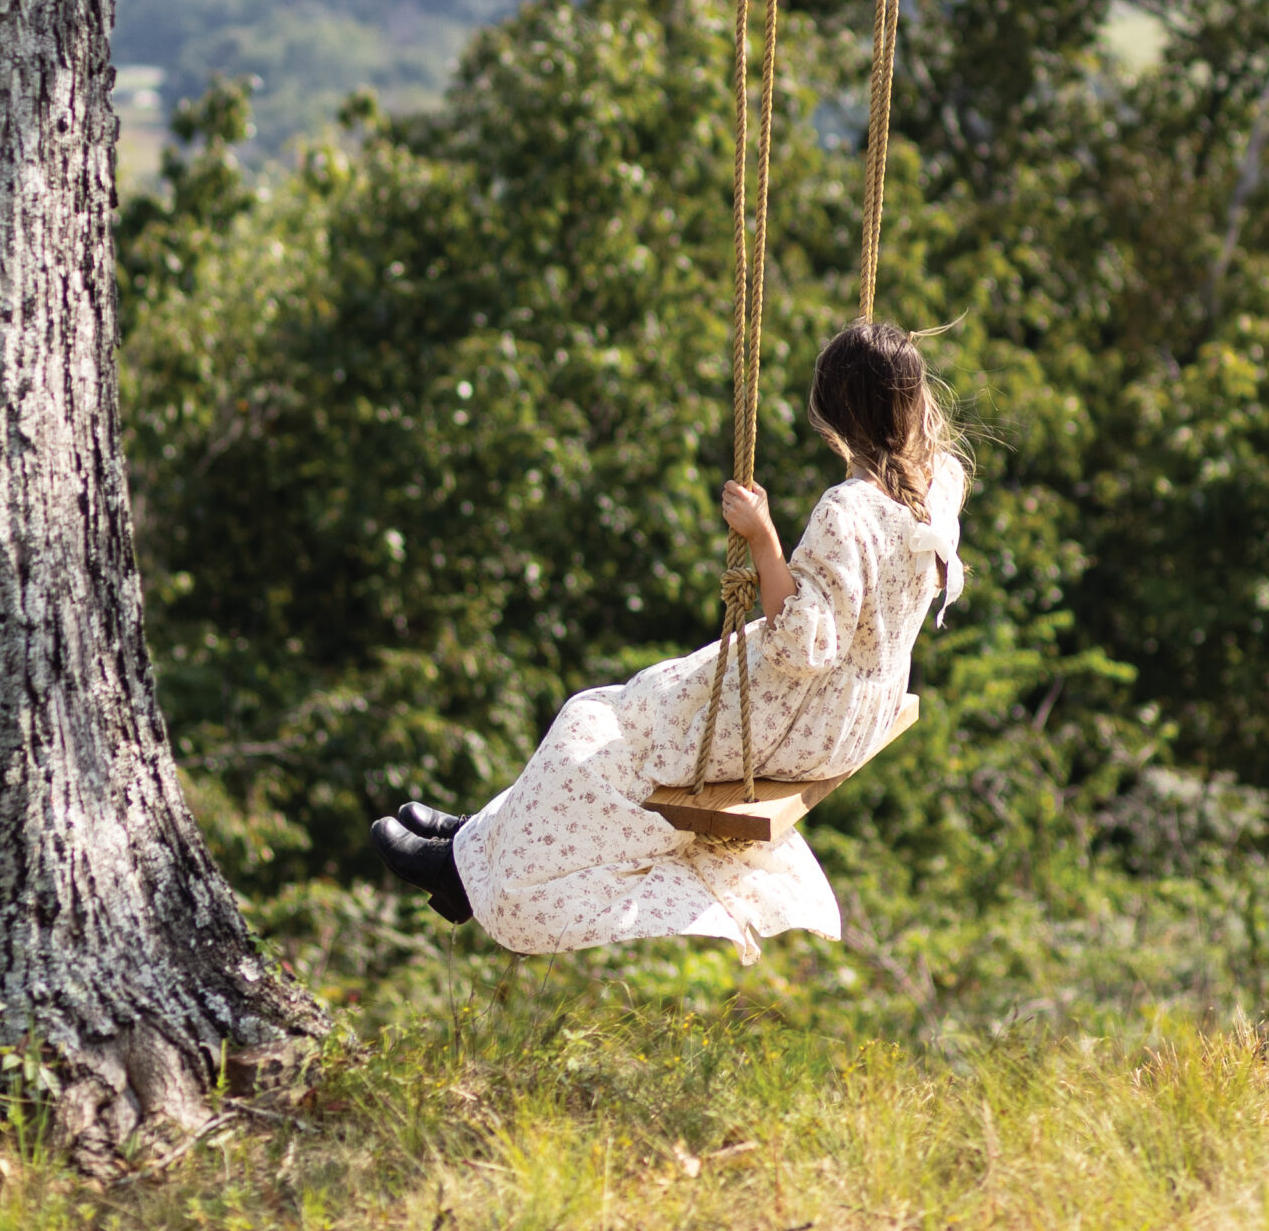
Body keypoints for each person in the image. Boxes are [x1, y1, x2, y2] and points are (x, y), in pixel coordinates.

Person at [370, 320, 968, 962]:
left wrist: (763, 536)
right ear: (912, 402)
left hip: (804, 711)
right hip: (855, 712)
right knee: (632, 705)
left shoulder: (847, 509)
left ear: (831, 415)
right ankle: (480, 839)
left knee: (601, 722)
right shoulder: (935, 487)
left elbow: (802, 645)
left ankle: (467, 877)